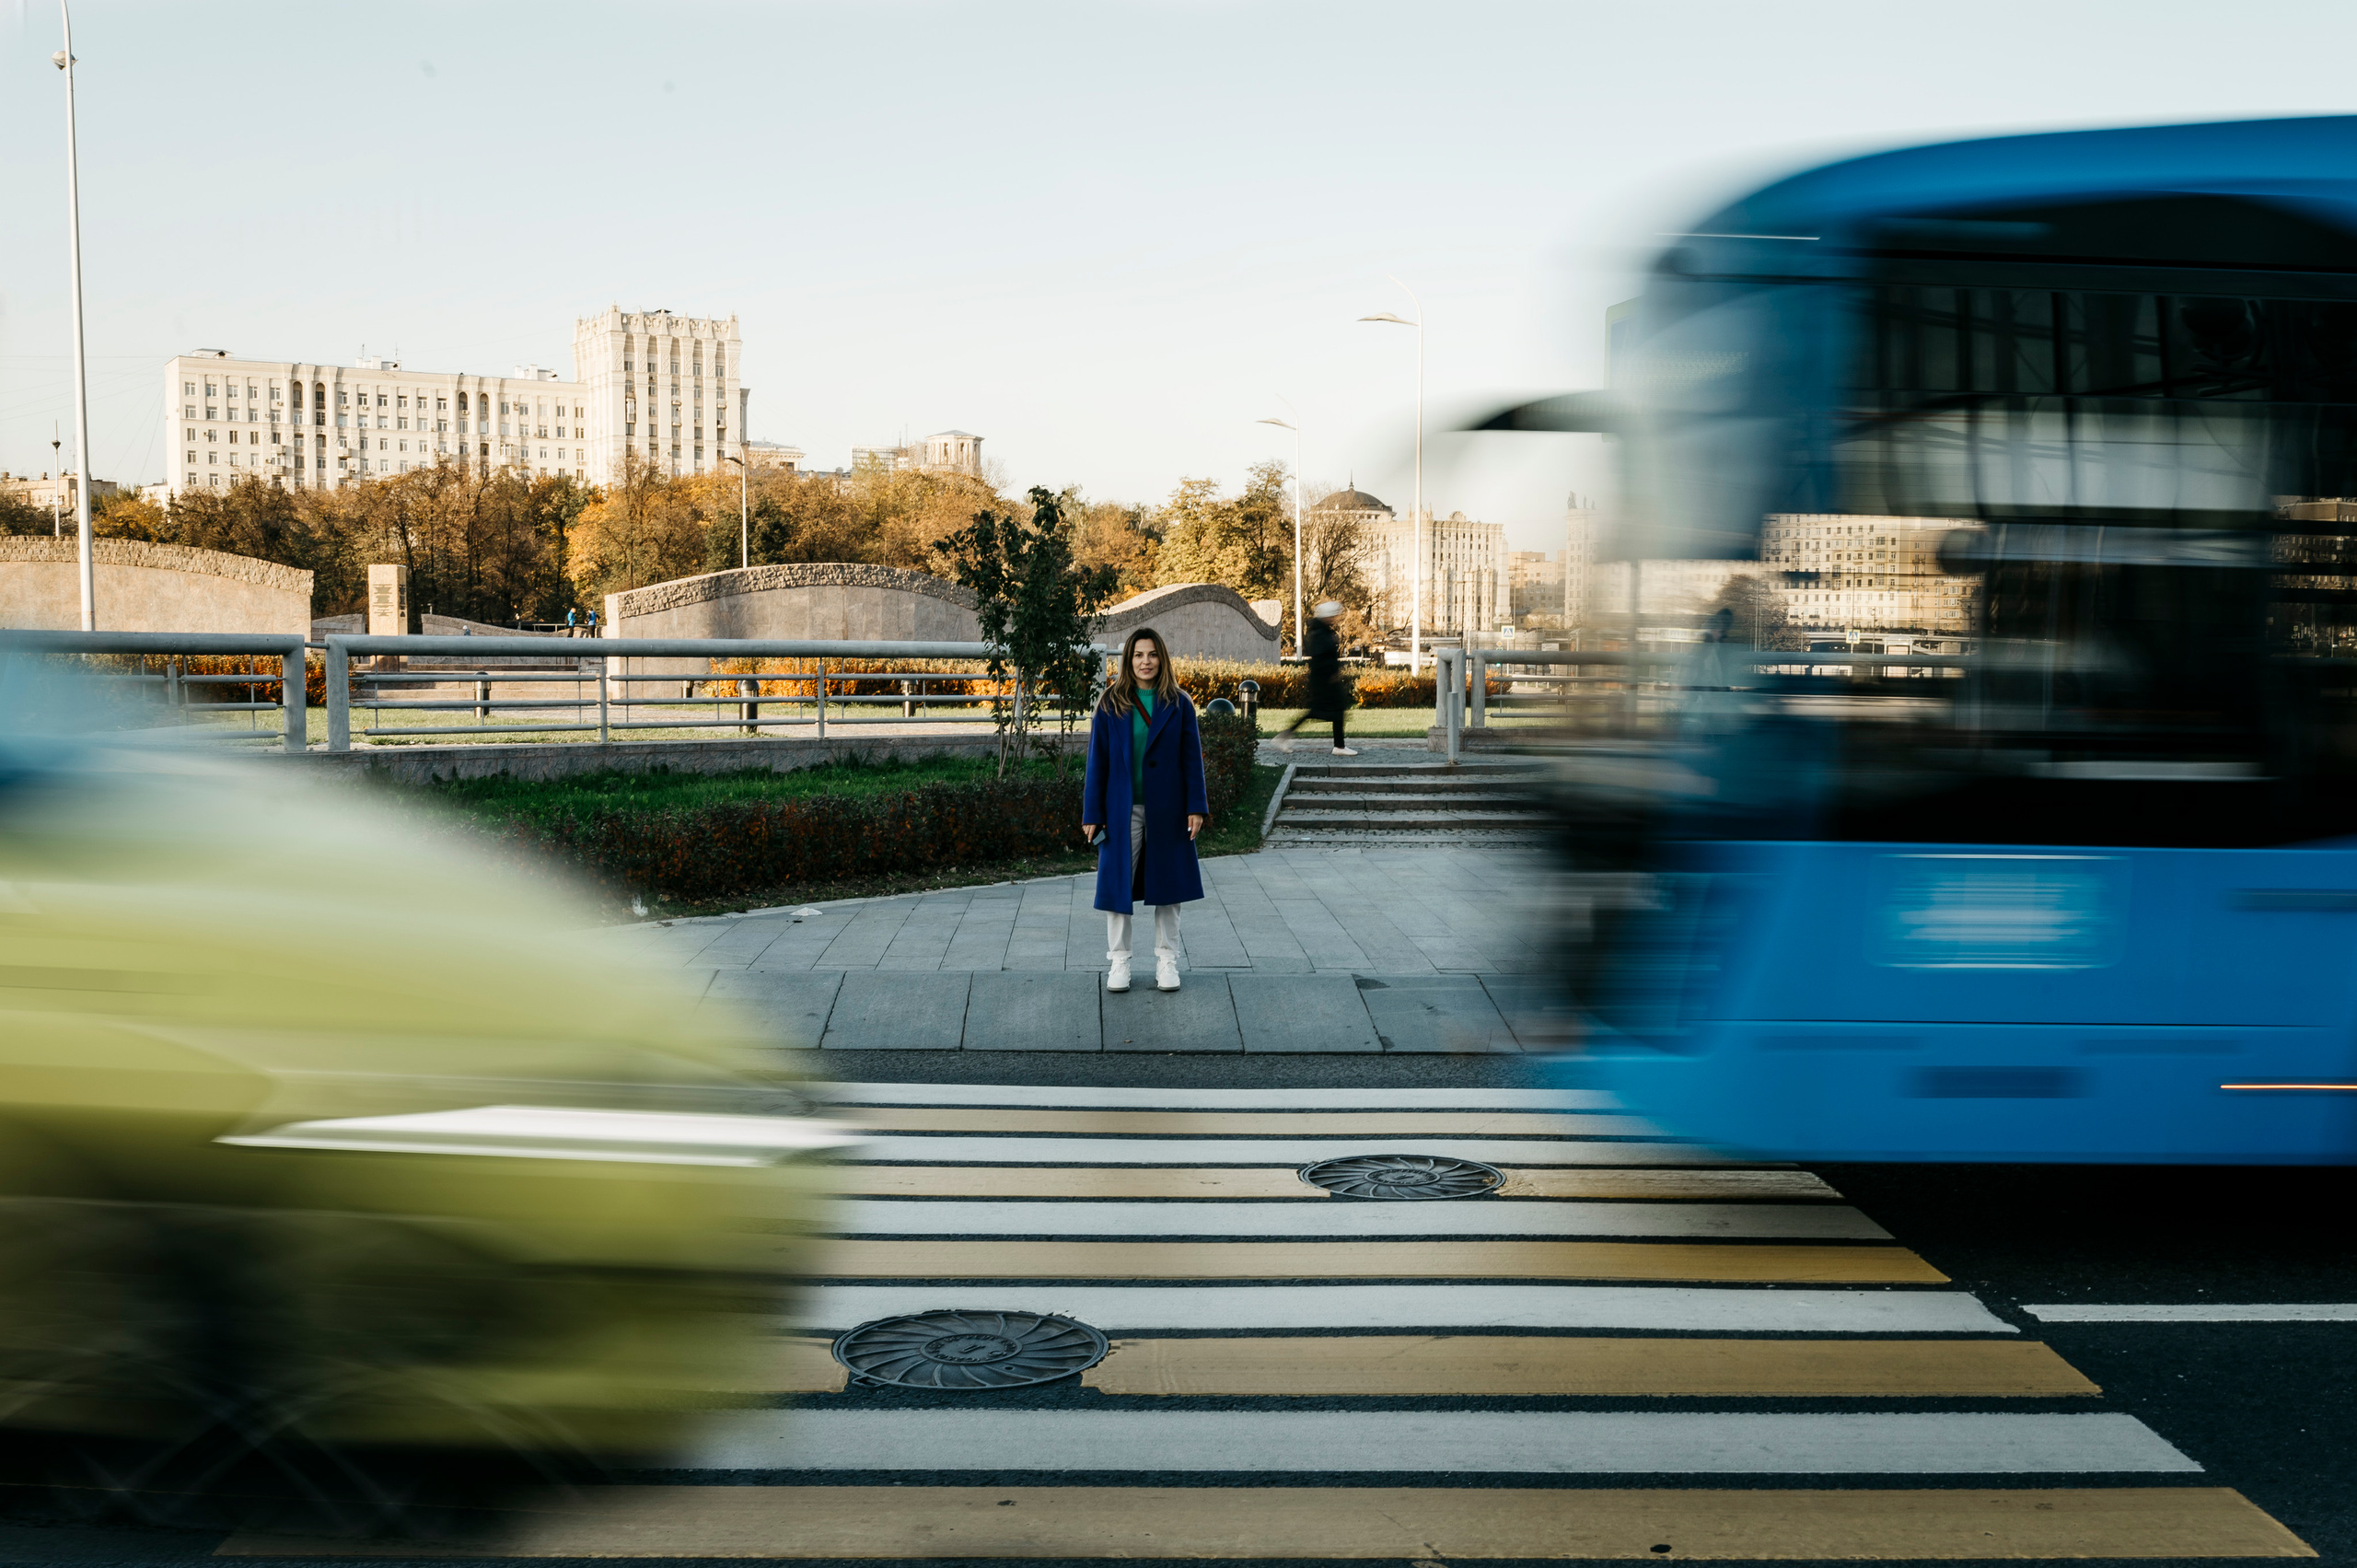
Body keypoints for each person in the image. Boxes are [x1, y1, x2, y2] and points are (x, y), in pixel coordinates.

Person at [1081, 627, 1208, 993]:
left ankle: (1167, 961)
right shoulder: (1110, 703)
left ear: (1161, 658)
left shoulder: (1179, 703)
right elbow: (1097, 763)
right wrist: (1092, 813)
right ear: (1128, 660)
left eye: (1152, 654)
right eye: (1138, 655)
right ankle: (1119, 961)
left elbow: (1191, 759)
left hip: (1169, 809)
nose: (1145, 661)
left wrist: (1196, 805)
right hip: (1122, 810)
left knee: (1169, 885)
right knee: (1117, 885)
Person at [1277, 600, 1357, 756]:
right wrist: (1331, 673)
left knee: (1330, 710)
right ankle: (1338, 746)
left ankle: (1338, 746)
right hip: (1324, 680)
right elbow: (1320, 658)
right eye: (1333, 616)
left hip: (1325, 678)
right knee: (1322, 711)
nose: (1335, 618)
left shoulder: (1322, 631)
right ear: (1326, 617)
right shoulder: (1320, 634)